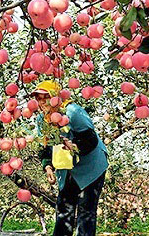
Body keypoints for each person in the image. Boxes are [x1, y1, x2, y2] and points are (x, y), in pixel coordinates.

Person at [31, 80, 108, 236]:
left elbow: (90, 139)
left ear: (55, 97)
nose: (41, 102)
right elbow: (45, 147)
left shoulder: (72, 112)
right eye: (38, 98)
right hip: (67, 170)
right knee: (63, 211)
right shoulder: (42, 120)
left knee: (86, 212)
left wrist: (75, 147)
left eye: (44, 97)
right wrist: (48, 167)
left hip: (91, 167)